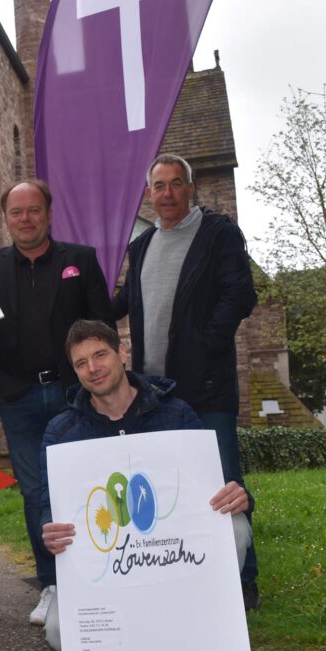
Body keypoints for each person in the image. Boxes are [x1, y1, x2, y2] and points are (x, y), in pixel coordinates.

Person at [38, 319, 252, 651]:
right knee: (57, 631)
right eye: (81, 363)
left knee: (236, 525)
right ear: (75, 371)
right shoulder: (61, 432)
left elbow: (217, 483)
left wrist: (238, 495)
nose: (93, 368)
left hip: (174, 554)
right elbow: (49, 503)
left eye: (100, 355)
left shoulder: (176, 413)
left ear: (122, 354)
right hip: (109, 561)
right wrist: (48, 529)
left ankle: (203, 615)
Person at [111, 154, 260, 608]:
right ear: (149, 194)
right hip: (154, 390)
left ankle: (244, 580)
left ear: (190, 189)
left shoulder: (218, 233)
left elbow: (241, 294)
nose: (168, 193)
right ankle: (185, 572)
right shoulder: (143, 246)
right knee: (169, 482)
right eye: (159, 186)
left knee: (224, 482)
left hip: (207, 385)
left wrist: (206, 343)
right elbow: (123, 302)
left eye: (177, 184)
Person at [0, 179, 114, 627]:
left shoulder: (81, 261)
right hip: (18, 396)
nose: (25, 219)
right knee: (35, 492)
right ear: (6, 218)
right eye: (17, 212)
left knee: (88, 483)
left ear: (48, 214)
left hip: (76, 395)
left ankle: (99, 575)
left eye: (33, 210)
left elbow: (103, 326)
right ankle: (51, 583)